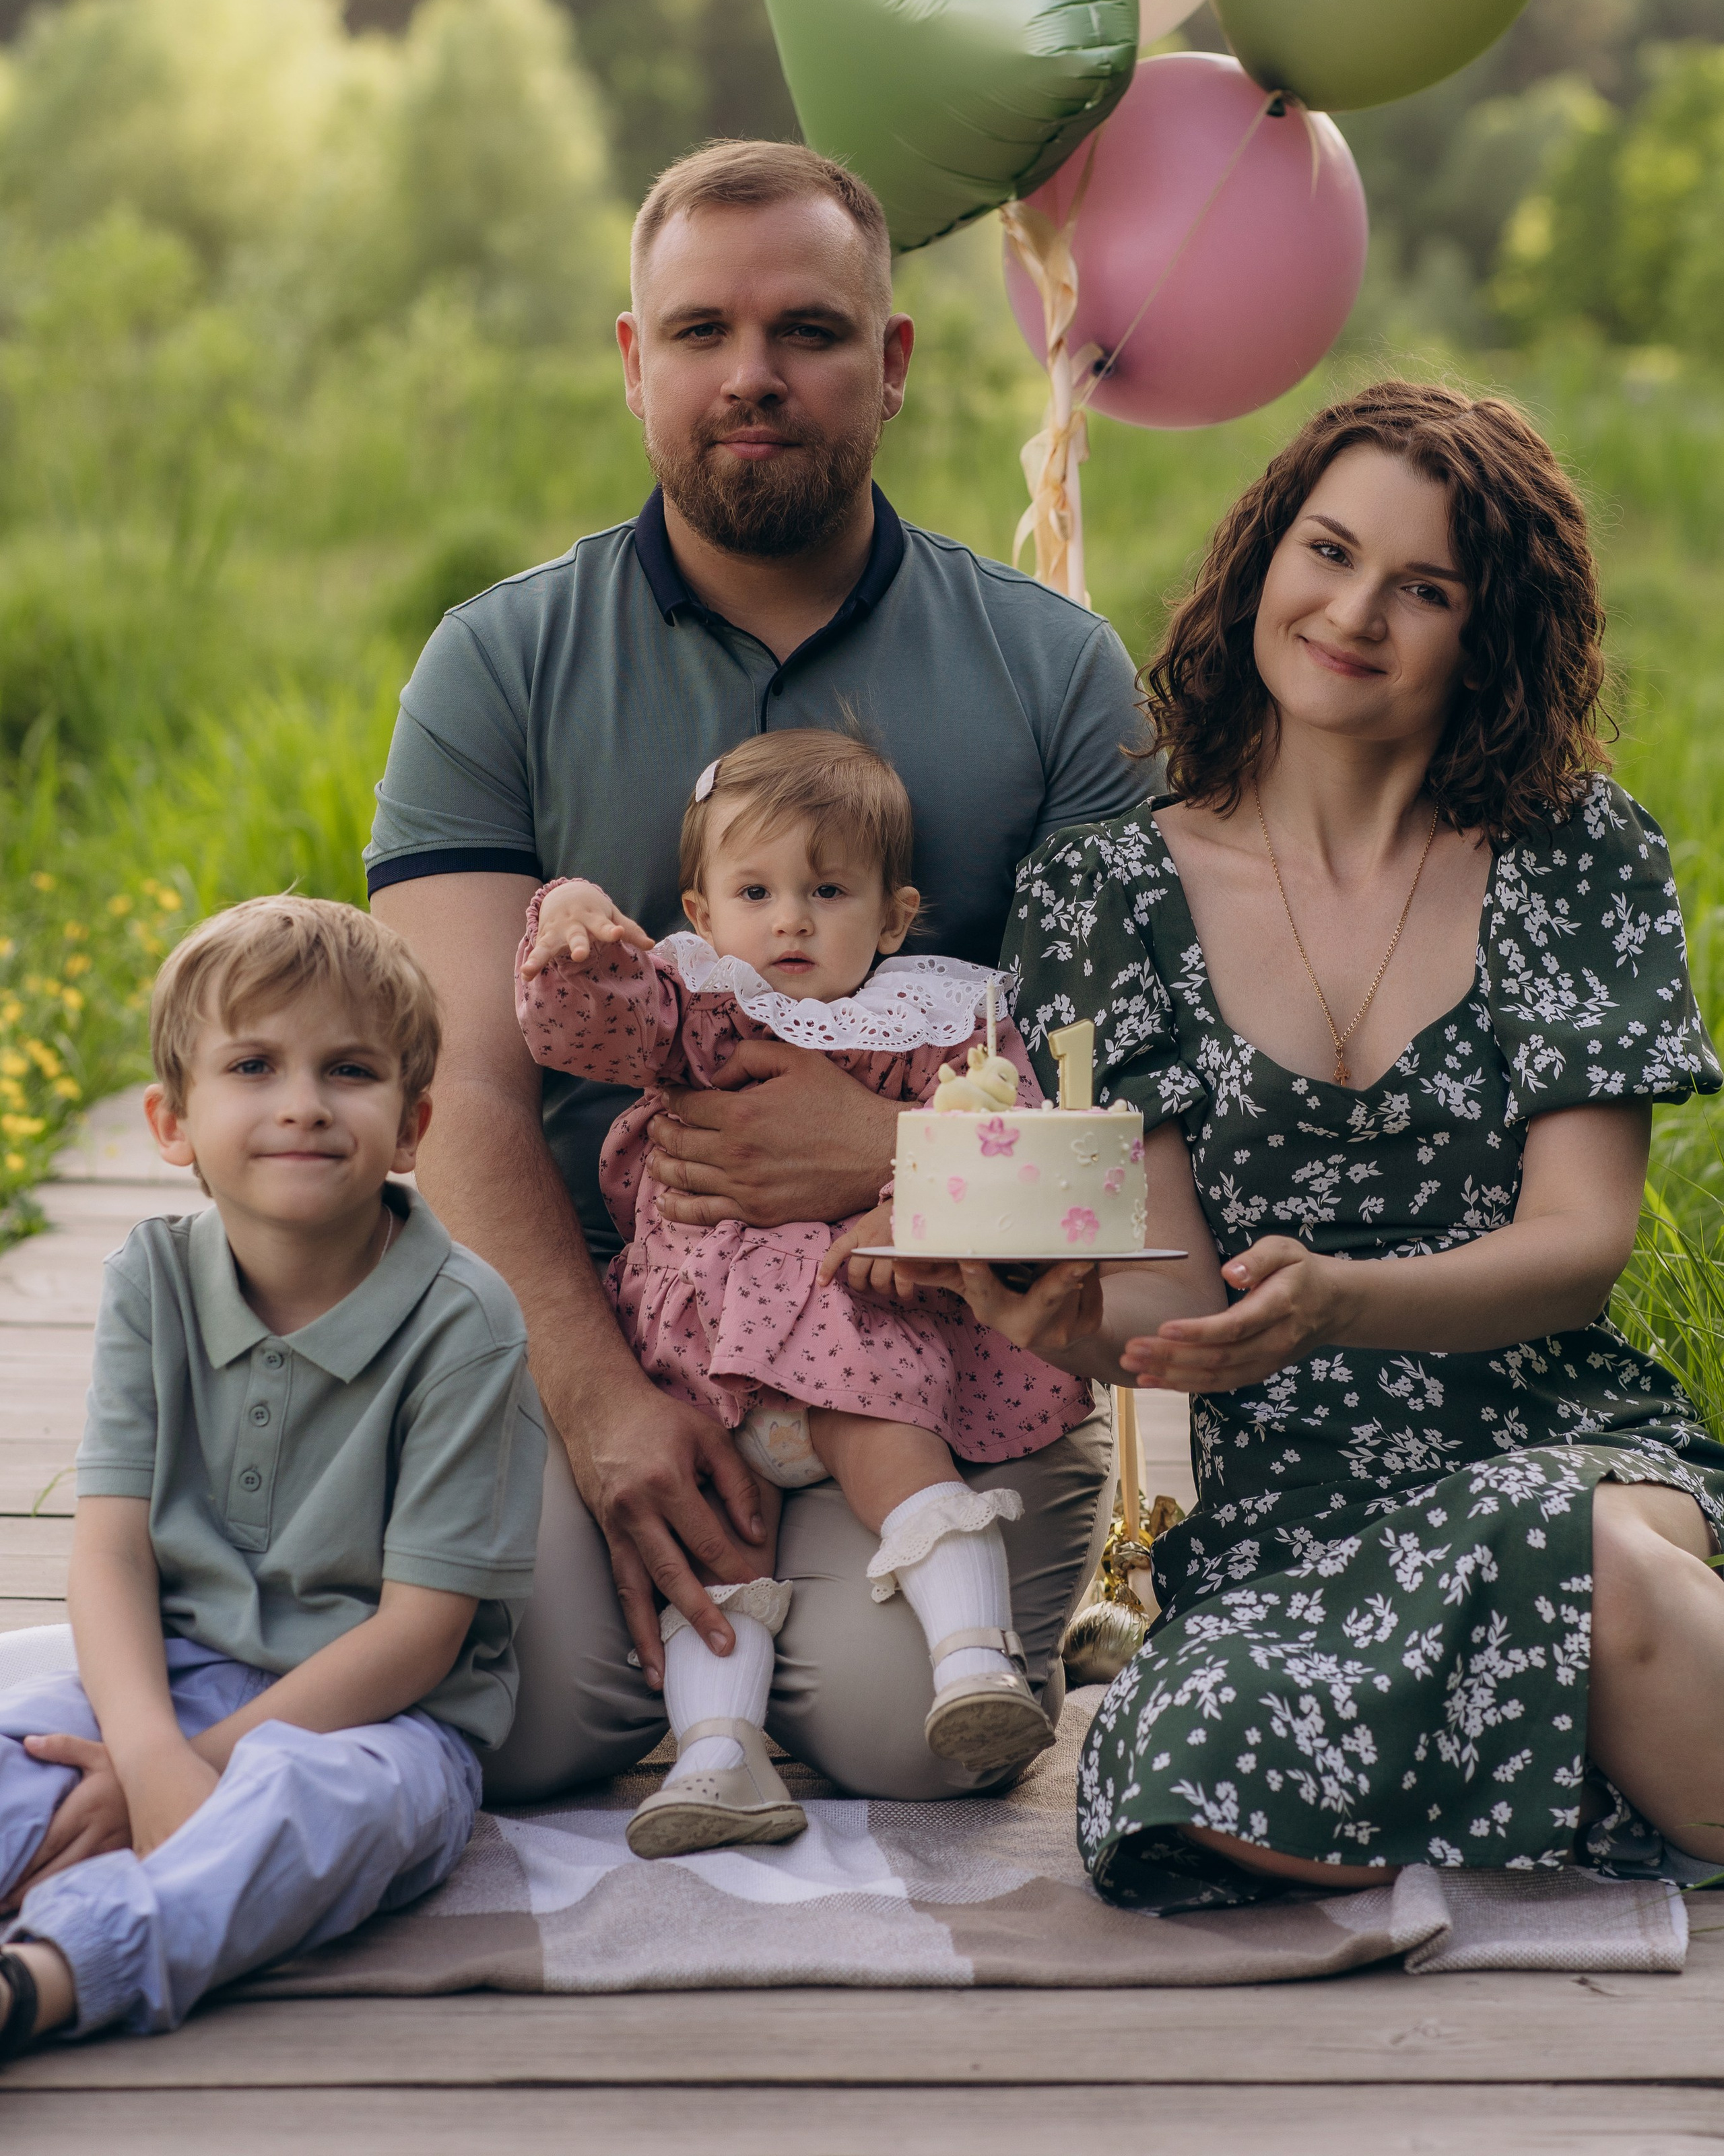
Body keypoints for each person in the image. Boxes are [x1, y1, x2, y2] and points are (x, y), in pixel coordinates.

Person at [367, 139, 1145, 1801]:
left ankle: (855, 1616)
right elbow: (458, 1105)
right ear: (634, 361)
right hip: (608, 1318)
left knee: (890, 1737)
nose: (752, 376)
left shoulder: (1052, 673)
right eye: (701, 332)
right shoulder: (499, 662)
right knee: (531, 1715)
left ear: (893, 360)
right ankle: (675, 1615)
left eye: (804, 330)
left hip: (929, 1326)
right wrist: (594, 1401)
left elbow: (1130, 1133)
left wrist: (882, 1153)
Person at [888, 382, 1724, 1905]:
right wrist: (1066, 1325)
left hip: (1564, 1440)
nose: (1352, 611)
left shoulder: (1570, 855)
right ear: (1262, 555)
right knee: (1181, 1774)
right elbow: (1173, 1295)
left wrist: (1343, 1299)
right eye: (1326, 551)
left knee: (1586, 1553)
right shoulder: (1103, 893)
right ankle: (1582, 1757)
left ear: (1493, 634)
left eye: (1423, 588)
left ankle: (1531, 1742)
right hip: (1289, 1501)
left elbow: (1578, 1245)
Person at [516, 728, 1095, 1856]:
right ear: (702, 905)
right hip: (704, 1363)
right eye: (757, 890)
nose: (790, 919)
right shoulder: (698, 1002)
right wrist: (573, 922)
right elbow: (584, 1026)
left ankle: (973, 1657)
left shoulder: (935, 1022)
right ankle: (718, 1759)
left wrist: (904, 1200)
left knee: (896, 1458)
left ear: (892, 916)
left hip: (857, 1343)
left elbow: (1010, 1138)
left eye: (828, 891)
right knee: (722, 1544)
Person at [0, 899, 544, 2052]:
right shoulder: (150, 1278)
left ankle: (54, 1970)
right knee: (25, 1742)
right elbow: (109, 1550)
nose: (301, 1101)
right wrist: (147, 1751)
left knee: (313, 1817)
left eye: (348, 1068)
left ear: (413, 1124)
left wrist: (180, 1773)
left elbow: (419, 1635)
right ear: (171, 1119)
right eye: (253, 1064)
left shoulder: (467, 1321)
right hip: (174, 1671)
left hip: (382, 1721)